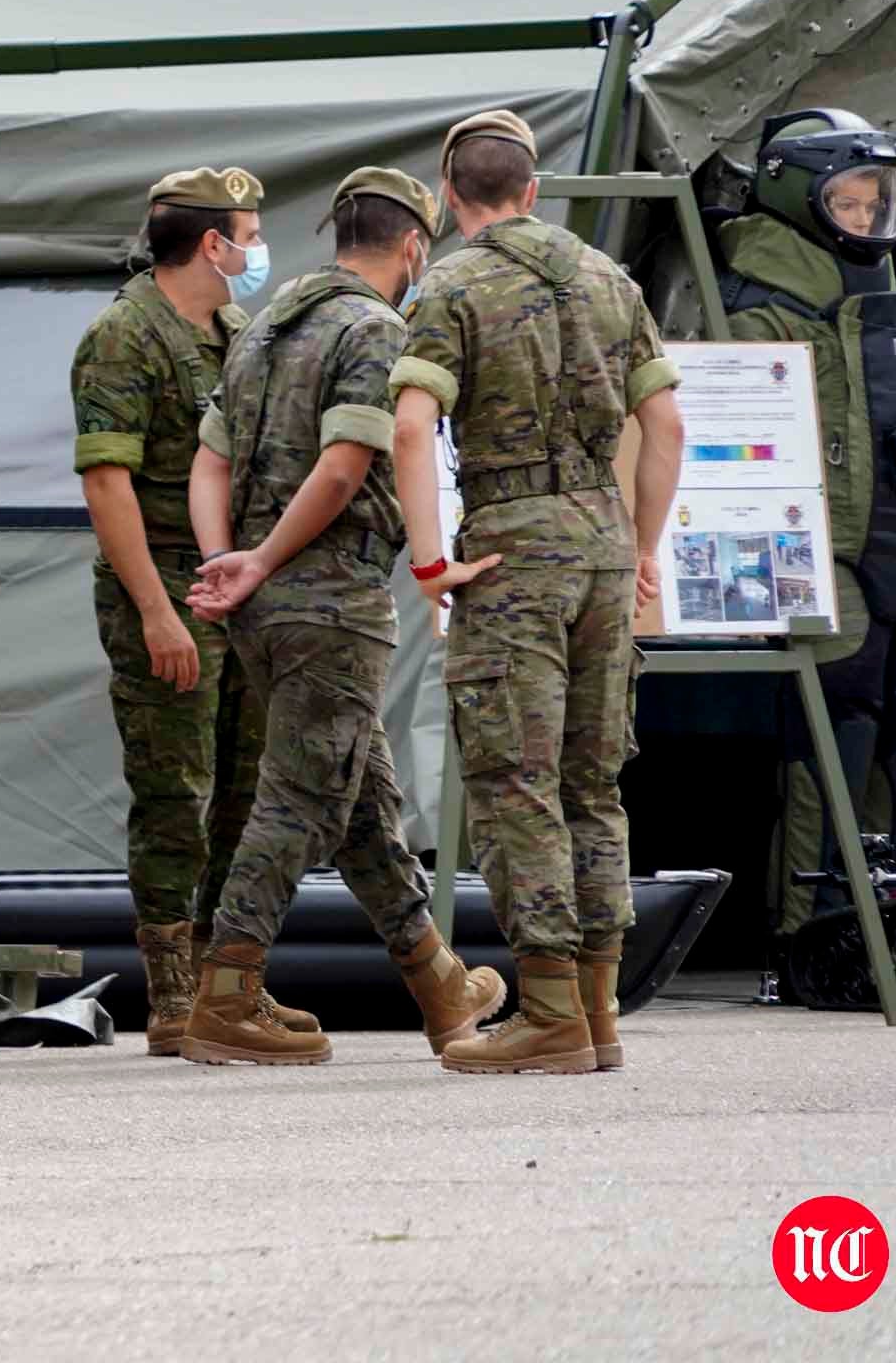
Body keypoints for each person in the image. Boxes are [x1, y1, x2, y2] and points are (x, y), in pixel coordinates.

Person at [179, 168, 505, 1064]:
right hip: (330, 598)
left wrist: (231, 563)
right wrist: (265, 561)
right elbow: (342, 469)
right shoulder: (375, 330)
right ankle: (227, 996)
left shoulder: (262, 329)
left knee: (360, 798)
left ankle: (439, 984)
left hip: (262, 602)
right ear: (413, 246)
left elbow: (207, 465)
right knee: (298, 798)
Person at [390, 110, 685, 1077]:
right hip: (601, 544)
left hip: (513, 552)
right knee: (591, 784)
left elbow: (410, 427)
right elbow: (667, 424)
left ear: (448, 196)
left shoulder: (453, 283)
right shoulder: (611, 279)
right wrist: (638, 547)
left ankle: (549, 1009)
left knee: (515, 783)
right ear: (533, 188)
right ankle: (597, 1013)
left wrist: (432, 564)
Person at [712, 110, 896, 965]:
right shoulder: (759, 306)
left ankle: (892, 931)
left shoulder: (887, 303)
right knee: (835, 734)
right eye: (849, 203)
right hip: (821, 555)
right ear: (797, 197)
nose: (866, 219)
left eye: (875, 202)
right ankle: (812, 937)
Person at [69, 164, 303, 1054]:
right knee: (175, 795)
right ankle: (173, 998)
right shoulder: (126, 336)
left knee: (246, 791)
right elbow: (106, 482)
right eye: (249, 232)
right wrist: (157, 614)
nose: (255, 248)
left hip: (233, 587)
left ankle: (230, 987)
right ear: (213, 243)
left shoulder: (239, 332)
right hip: (163, 589)